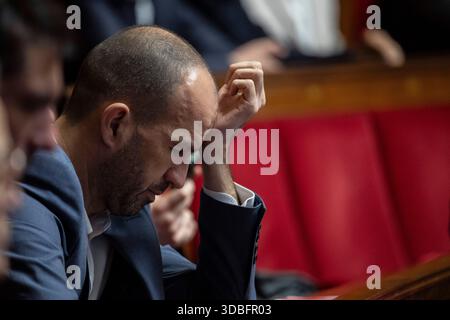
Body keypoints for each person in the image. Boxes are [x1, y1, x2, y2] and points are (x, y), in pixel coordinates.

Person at [1, 26, 266, 299]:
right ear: (115, 125)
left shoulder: (124, 212)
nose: (178, 178)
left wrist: (215, 143)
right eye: (177, 149)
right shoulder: (22, 204)